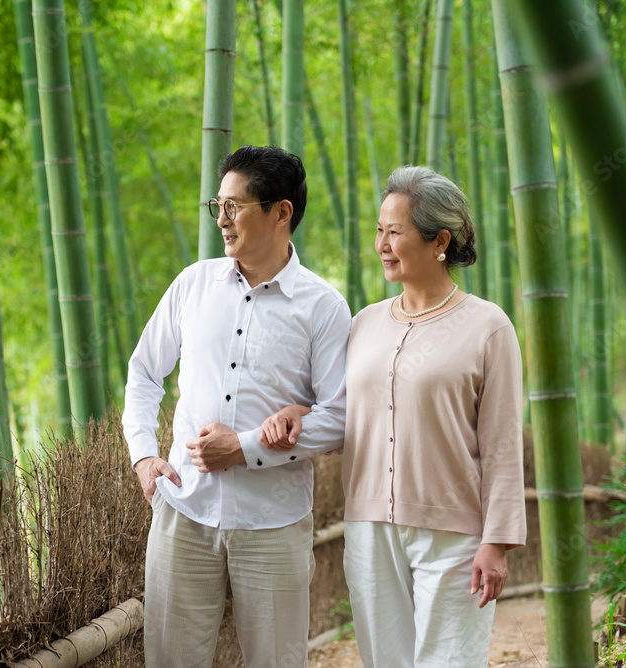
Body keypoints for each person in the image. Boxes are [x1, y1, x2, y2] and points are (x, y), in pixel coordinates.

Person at [262, 165, 526, 667]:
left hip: (454, 535)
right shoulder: (364, 324)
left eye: (395, 232)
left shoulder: (488, 327)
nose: (382, 243)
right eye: (379, 230)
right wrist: (302, 410)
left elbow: (502, 442)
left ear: (439, 241)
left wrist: (497, 542)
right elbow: (343, 412)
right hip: (368, 527)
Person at [121, 145, 351, 667]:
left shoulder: (323, 307)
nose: (221, 220)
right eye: (217, 206)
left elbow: (339, 419)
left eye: (235, 206)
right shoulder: (192, 285)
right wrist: (142, 455)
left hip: (273, 522)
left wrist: (244, 450)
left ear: (281, 212)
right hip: (183, 510)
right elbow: (142, 374)